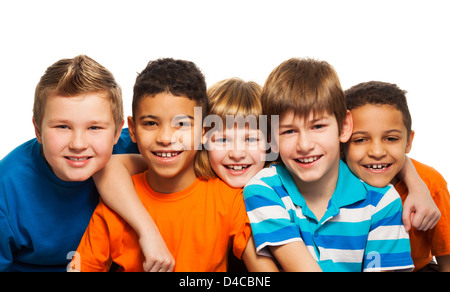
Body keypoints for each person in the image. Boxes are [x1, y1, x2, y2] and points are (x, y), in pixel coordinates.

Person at [71, 59, 278, 272]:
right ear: (131, 129)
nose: (166, 137)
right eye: (151, 123)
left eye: (181, 124)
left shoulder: (229, 200)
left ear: (204, 131)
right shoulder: (117, 204)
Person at [243, 58, 415, 272]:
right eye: (289, 131)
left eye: (318, 126)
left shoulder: (382, 203)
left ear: (344, 126)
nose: (304, 145)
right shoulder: (264, 190)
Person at [0, 55, 127, 271]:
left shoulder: (140, 151)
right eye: (62, 127)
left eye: (94, 128)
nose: (78, 144)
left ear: (117, 132)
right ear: (38, 130)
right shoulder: (7, 190)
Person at [344, 81, 450, 272]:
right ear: (342, 142)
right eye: (360, 140)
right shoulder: (330, 181)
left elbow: (447, 261)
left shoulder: (431, 183)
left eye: (391, 138)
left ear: (408, 141)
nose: (377, 151)